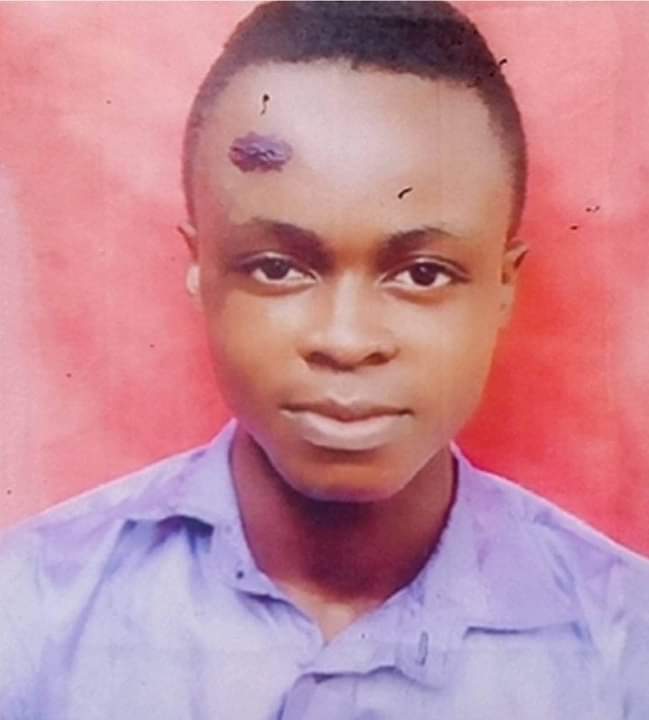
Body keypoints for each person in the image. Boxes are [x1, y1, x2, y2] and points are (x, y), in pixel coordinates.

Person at [1, 2, 647, 717]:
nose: (345, 339)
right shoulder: (29, 615)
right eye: (277, 269)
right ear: (200, 268)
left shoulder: (625, 647)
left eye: (423, 274)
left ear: (502, 286)